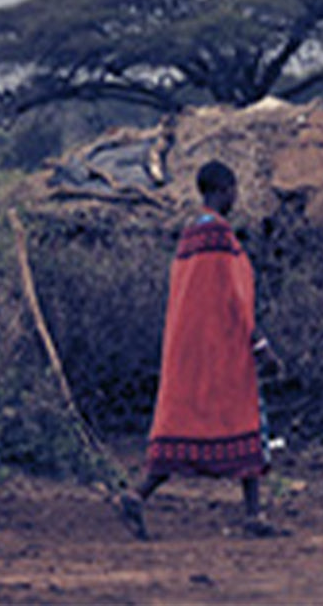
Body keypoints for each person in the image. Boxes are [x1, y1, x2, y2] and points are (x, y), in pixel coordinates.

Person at [119, 159, 278, 540]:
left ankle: (139, 496)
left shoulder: (189, 235)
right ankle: (139, 495)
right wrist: (259, 344)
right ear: (222, 189)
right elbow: (234, 296)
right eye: (233, 190)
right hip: (222, 349)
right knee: (246, 420)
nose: (236, 197)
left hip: (189, 351)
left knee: (186, 425)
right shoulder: (220, 236)